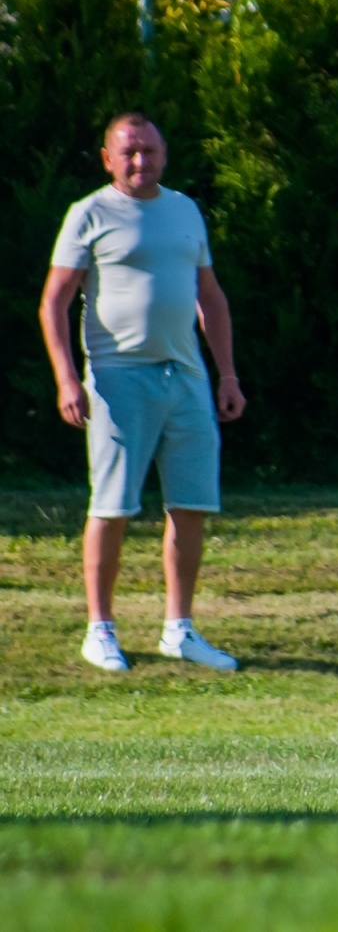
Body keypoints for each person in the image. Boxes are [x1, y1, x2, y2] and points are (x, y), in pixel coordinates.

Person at [39, 113, 246, 674]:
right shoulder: (89, 213)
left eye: (149, 151)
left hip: (187, 379)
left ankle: (179, 630)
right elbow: (53, 302)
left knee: (192, 505)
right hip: (117, 379)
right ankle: (99, 630)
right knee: (111, 507)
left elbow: (211, 297)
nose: (140, 161)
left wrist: (226, 375)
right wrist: (66, 379)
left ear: (164, 153)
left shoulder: (184, 210)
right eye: (128, 152)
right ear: (108, 157)